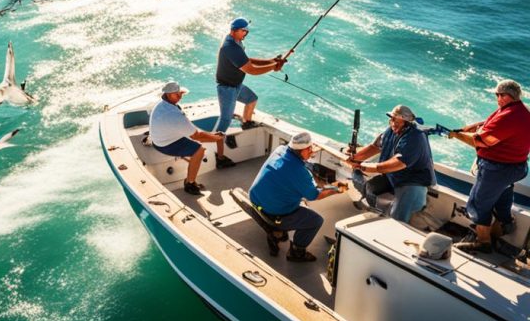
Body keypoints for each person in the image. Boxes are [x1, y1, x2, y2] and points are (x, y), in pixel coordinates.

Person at [448, 79, 530, 253]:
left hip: (498, 169)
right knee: (502, 198)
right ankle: (503, 228)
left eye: (499, 95)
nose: (497, 98)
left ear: (507, 96)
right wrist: (466, 128)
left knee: (477, 205)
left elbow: (482, 141)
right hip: (516, 167)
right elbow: (489, 124)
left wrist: (456, 135)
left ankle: (483, 242)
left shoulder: (509, 116)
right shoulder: (521, 111)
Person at [249, 131, 348, 261]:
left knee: (295, 194)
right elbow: (314, 195)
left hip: (256, 200)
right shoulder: (300, 172)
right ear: (302, 150)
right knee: (315, 220)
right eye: (310, 149)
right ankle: (296, 252)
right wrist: (335, 188)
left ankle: (277, 232)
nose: (312, 151)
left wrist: (308, 155)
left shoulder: (280, 150)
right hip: (272, 214)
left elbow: (292, 172)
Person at [345, 105, 435, 224]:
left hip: (412, 183)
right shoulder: (391, 130)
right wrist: (354, 158)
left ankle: (395, 225)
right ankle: (377, 212)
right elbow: (375, 147)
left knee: (397, 220)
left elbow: (396, 164)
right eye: (392, 119)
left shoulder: (415, 138)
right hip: (394, 177)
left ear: (406, 123)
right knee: (370, 186)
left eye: (397, 121)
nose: (393, 123)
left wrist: (362, 166)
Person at [149, 82, 235, 196]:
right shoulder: (174, 114)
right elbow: (197, 136)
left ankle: (212, 159)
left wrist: (213, 136)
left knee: (201, 139)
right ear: (168, 94)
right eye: (176, 95)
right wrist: (216, 137)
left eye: (180, 94)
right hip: (165, 144)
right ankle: (190, 183)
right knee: (199, 151)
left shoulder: (162, 104)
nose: (180, 97)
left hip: (160, 138)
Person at [215, 17, 285, 148]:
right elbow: (251, 70)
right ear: (234, 30)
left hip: (236, 85)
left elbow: (246, 60)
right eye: (243, 30)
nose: (246, 33)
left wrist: (271, 61)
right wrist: (273, 67)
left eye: (247, 30)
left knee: (252, 99)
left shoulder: (236, 41)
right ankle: (219, 155)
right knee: (225, 121)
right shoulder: (230, 47)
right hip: (227, 88)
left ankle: (246, 123)